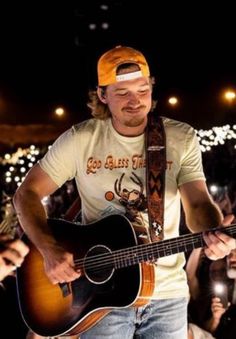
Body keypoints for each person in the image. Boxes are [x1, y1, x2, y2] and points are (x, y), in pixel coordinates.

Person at [13, 45, 236, 339]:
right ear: (102, 94)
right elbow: (25, 194)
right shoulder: (81, 139)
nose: (135, 101)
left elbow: (197, 204)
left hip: (168, 293)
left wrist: (212, 232)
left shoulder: (180, 137)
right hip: (97, 298)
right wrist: (48, 249)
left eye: (143, 90)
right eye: (122, 93)